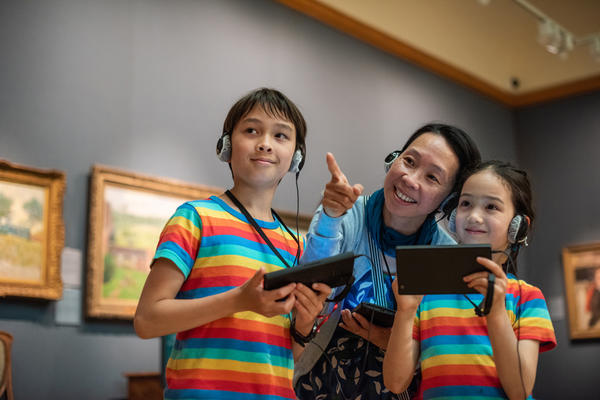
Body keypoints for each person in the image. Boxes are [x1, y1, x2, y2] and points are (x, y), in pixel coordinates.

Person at [134, 88, 331, 400]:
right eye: (251, 130)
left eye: (281, 135)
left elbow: (291, 356)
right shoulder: (194, 219)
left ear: (296, 157)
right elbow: (146, 321)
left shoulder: (295, 244)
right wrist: (238, 300)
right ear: (227, 146)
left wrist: (305, 323)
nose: (265, 143)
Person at [294, 123, 482, 400]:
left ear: (449, 200)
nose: (410, 178)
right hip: (321, 385)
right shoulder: (347, 213)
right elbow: (310, 288)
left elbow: (446, 353)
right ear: (393, 159)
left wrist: (391, 341)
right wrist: (331, 217)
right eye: (409, 161)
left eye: (432, 177)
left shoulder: (445, 253)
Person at [383, 160, 557, 399]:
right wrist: (405, 313)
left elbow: (519, 391)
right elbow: (395, 382)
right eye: (466, 204)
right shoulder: (426, 294)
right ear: (454, 217)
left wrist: (496, 313)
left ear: (518, 227)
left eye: (491, 207)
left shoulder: (527, 297)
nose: (474, 216)